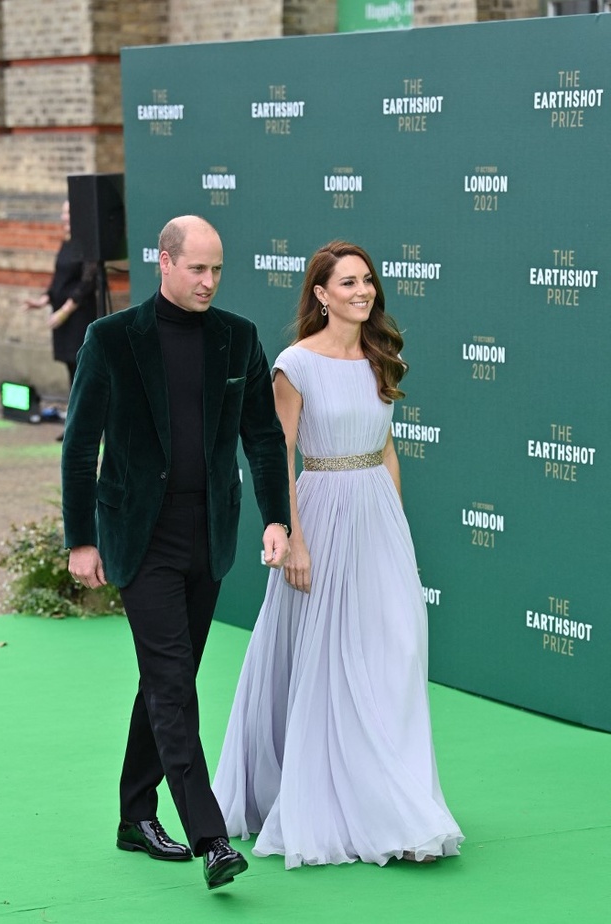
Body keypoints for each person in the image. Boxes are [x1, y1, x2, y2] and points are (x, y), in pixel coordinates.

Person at [213, 240, 464, 868]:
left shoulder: (380, 356)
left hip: (377, 516)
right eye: (347, 283)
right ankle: (326, 798)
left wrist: (397, 528)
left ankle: (394, 800)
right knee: (321, 658)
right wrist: (293, 537)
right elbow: (281, 453)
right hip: (320, 512)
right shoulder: (295, 365)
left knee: (394, 652)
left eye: (367, 281)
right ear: (320, 295)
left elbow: (386, 450)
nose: (362, 291)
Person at [61, 215, 291, 890]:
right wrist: (80, 538)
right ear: (163, 262)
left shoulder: (237, 338)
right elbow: (79, 444)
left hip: (207, 533)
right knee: (171, 684)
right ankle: (211, 838)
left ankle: (136, 815)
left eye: (217, 269)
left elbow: (263, 437)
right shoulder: (112, 339)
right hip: (140, 534)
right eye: (197, 269)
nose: (209, 281)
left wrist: (275, 518)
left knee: (168, 678)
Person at [24, 200, 98, 436]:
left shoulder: (87, 244)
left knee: (81, 371)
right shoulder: (65, 243)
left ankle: (86, 429)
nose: (63, 218)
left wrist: (66, 310)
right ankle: (75, 425)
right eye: (63, 213)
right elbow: (60, 279)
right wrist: (43, 300)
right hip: (62, 318)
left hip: (77, 317)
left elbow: (87, 282)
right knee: (70, 371)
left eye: (68, 213)